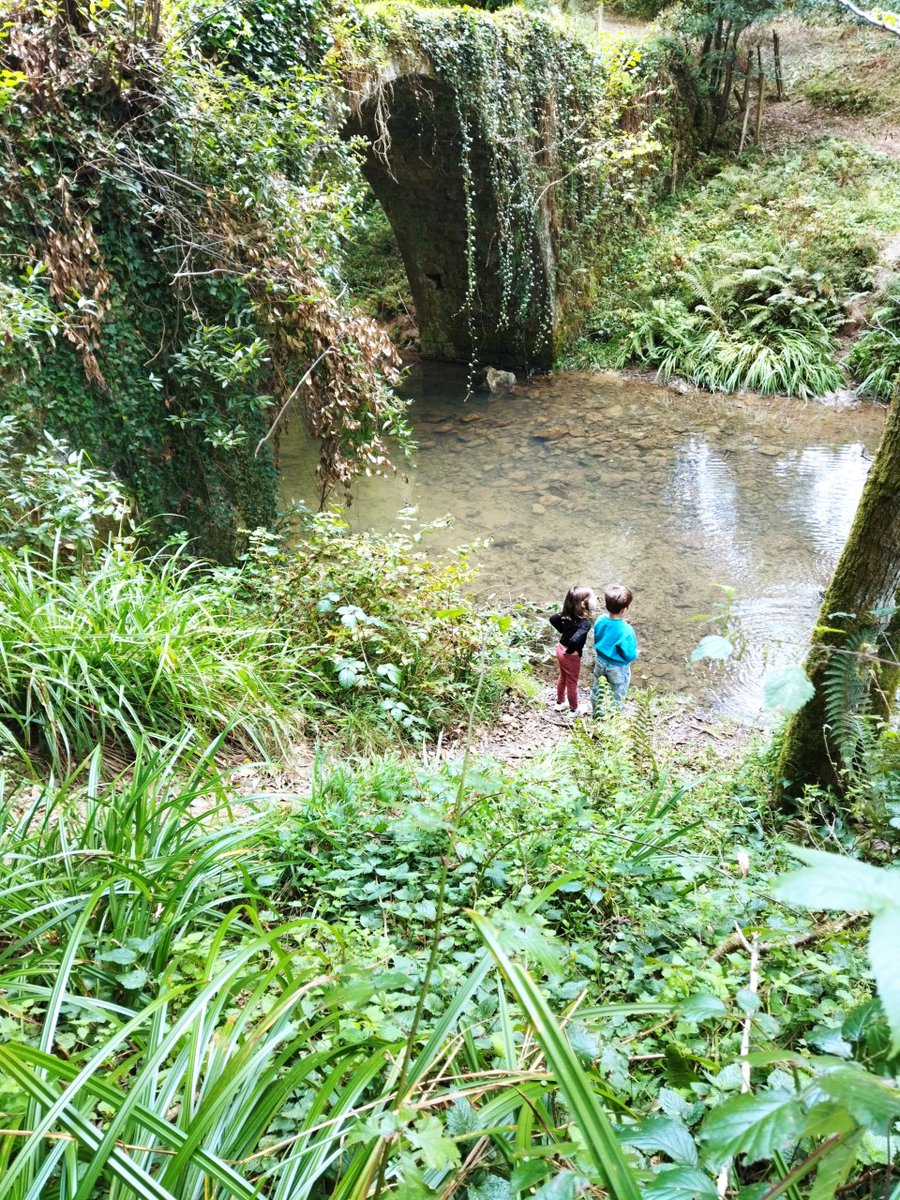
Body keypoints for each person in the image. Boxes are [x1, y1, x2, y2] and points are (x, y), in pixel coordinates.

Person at [549, 585, 596, 716]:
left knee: (563, 676)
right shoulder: (584, 623)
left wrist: (563, 631)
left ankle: (560, 703)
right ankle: (574, 709)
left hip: (559, 649)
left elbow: (553, 618)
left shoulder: (566, 615)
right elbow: (575, 640)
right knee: (572, 682)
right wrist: (570, 650)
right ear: (583, 604)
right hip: (570, 656)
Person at [592, 583, 639, 714]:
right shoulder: (627, 630)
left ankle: (597, 715)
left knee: (598, 689)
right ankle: (615, 719)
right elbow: (630, 655)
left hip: (600, 661)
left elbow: (597, 636)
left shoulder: (600, 620)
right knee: (617, 693)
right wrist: (636, 653)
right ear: (625, 609)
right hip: (618, 668)